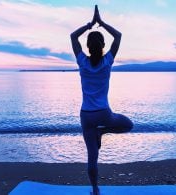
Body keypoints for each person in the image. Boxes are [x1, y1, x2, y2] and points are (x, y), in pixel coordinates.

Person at [70, 5, 133, 195]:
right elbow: (119, 36)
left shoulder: (82, 61)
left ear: (88, 46)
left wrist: (90, 25)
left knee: (92, 157)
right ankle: (103, 132)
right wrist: (102, 23)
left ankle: (95, 190)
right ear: (103, 46)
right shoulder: (107, 61)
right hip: (104, 114)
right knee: (128, 125)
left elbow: (73, 37)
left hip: (86, 115)